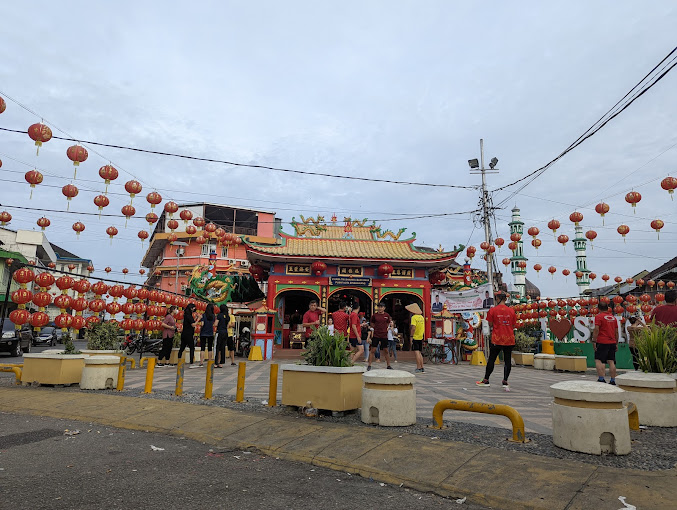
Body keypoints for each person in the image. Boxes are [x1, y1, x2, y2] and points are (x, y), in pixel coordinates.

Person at [476, 292, 516, 390]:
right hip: (509, 339)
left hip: (497, 339)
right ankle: (505, 381)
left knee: (492, 359)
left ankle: (486, 380)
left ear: (497, 299)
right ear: (505, 299)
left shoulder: (493, 310)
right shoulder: (511, 311)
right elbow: (513, 325)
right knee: (507, 361)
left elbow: (490, 324)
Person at [592, 302, 619, 384]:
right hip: (612, 342)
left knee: (599, 360)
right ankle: (613, 380)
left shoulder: (599, 317)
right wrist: (616, 343)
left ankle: (601, 379)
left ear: (598, 309)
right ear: (608, 308)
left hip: (602, 341)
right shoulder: (613, 318)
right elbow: (616, 332)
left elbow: (596, 329)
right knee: (611, 361)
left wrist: (594, 340)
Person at [368, 301, 393, 370]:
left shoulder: (387, 315)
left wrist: (385, 329)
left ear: (384, 308)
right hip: (376, 335)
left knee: (386, 350)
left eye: (381, 307)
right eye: (379, 307)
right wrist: (376, 328)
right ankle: (369, 365)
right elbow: (372, 323)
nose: (380, 308)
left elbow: (388, 323)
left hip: (384, 335)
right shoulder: (374, 315)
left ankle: (388, 365)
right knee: (373, 350)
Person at [178, 303, 198, 368]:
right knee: (192, 348)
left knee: (182, 348)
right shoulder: (189, 316)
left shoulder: (186, 315)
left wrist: (195, 320)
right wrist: (198, 319)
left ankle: (179, 361)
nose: (194, 309)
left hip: (184, 333)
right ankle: (191, 363)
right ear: (191, 308)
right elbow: (193, 325)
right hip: (188, 334)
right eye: (193, 308)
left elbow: (191, 322)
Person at [407, 303, 425, 373]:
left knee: (416, 352)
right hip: (421, 336)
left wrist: (411, 336)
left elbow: (413, 328)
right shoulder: (421, 317)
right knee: (420, 352)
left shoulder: (414, 318)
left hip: (416, 336)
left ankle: (418, 367)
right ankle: (422, 366)